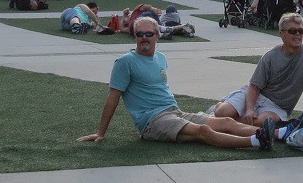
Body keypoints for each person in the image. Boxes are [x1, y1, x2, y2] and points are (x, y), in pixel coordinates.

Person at [77, 16, 274, 150]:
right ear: (134, 36)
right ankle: (257, 141)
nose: (144, 38)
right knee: (203, 131)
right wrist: (100, 133)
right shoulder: (125, 62)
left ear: (157, 35)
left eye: (149, 34)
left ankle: (279, 134)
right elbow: (113, 98)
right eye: (140, 34)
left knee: (226, 122)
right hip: (152, 122)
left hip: (174, 111)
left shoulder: (161, 58)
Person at [212, 12, 303, 130]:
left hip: (277, 107)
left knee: (262, 122)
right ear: (281, 34)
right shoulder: (270, 56)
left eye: (301, 31)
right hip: (256, 96)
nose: (298, 34)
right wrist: (249, 110)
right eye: (292, 31)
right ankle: (222, 114)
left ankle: (222, 124)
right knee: (223, 112)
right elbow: (254, 86)